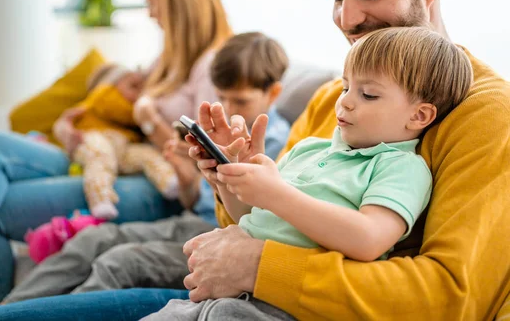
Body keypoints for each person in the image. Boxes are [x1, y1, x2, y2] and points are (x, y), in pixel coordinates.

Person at [0, 0, 510, 320]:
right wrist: (231, 179)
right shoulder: (329, 99)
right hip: (232, 291)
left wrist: (260, 267)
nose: (348, 19)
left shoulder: (488, 114)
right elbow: (269, 222)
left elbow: (448, 298)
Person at [0, 0, 232, 313]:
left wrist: (149, 121)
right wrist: (69, 126)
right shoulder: (167, 59)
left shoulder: (216, 66)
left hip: (159, 182)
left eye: (153, 0)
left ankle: (2, 316)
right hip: (111, 153)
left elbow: (203, 164)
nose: (150, 12)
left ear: (179, 1)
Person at [146, 26, 473, 319]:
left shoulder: (401, 167)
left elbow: (369, 239)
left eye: (368, 94)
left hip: (282, 307)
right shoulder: (309, 149)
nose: (344, 103)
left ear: (419, 115)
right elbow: (250, 215)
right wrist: (228, 179)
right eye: (346, 87)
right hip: (221, 294)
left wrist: (275, 193)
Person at [0, 32, 291, 304]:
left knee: (119, 261)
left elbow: (255, 220)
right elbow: (194, 201)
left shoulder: (279, 142)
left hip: (221, 237)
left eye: (240, 100)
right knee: (92, 239)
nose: (228, 107)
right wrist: (187, 175)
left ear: (273, 93)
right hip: (191, 220)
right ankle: (3, 313)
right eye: (222, 98)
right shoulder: (223, 131)